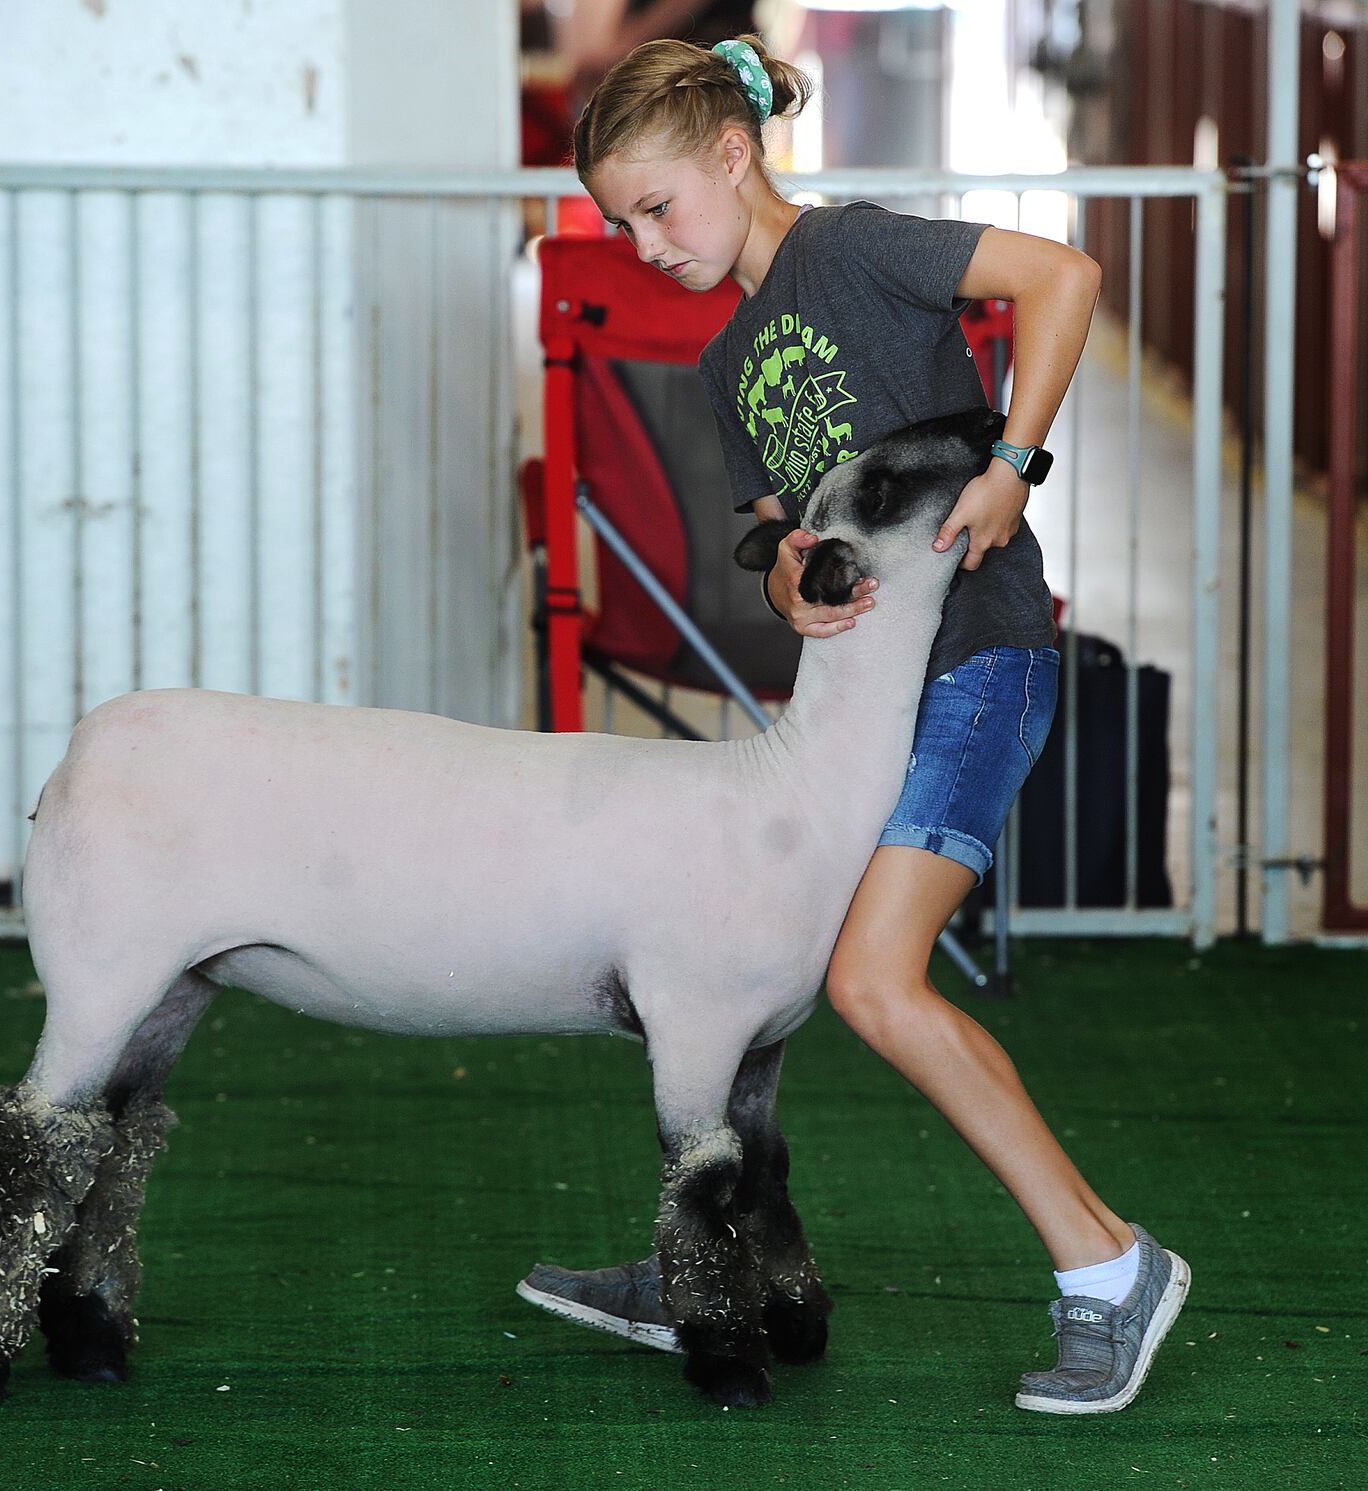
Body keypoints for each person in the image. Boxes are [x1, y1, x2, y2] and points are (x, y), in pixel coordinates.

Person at [517, 34, 1190, 1414]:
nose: (644, 244)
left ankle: (1111, 1268)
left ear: (730, 153)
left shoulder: (860, 249)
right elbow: (779, 537)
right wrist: (775, 569)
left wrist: (1012, 464)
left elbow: (1065, 280)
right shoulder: (726, 363)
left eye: (657, 206)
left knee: (875, 985)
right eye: (617, 223)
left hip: (977, 660)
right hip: (850, 711)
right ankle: (728, 1264)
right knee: (747, 974)